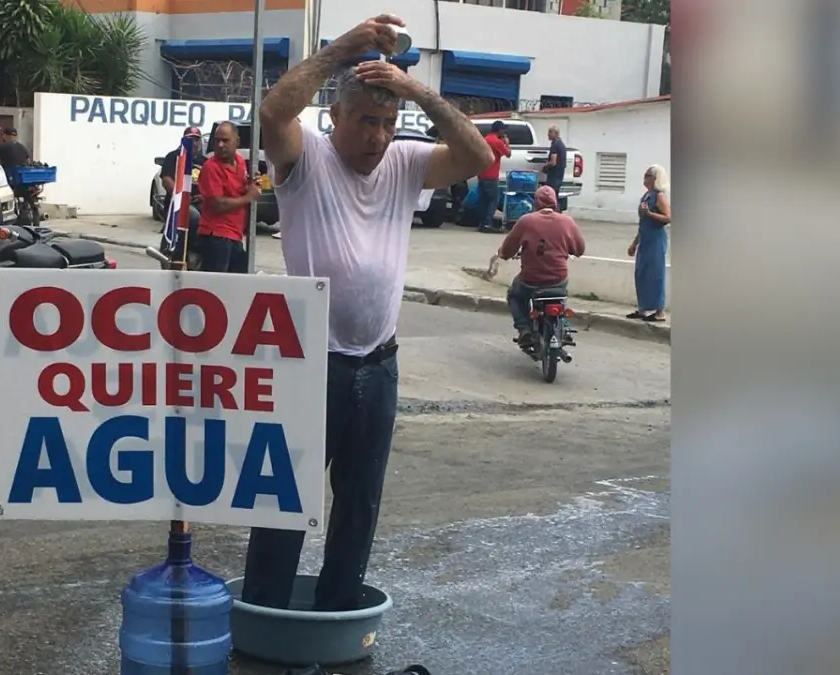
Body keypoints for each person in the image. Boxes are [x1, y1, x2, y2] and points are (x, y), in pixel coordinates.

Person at [240, 14, 494, 613]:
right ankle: (266, 615)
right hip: (311, 363)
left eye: (387, 124)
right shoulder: (307, 157)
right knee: (286, 497)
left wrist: (415, 90)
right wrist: (343, 49)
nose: (378, 138)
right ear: (336, 116)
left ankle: (338, 611)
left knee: (360, 503)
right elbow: (273, 114)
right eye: (366, 122)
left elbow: (478, 155)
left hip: (379, 364)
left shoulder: (405, 163)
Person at [497, 185, 586, 344]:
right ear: (555, 202)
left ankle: (524, 329)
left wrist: (503, 254)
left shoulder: (526, 221)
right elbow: (579, 250)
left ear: (536, 202)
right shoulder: (567, 221)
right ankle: (563, 325)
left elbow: (508, 250)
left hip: (530, 279)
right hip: (558, 279)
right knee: (560, 298)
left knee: (514, 296)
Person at [196, 121, 260, 273]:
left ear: (237, 141)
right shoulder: (211, 167)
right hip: (216, 236)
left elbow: (238, 189)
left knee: (237, 282)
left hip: (234, 236)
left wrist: (251, 184)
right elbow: (217, 204)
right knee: (216, 285)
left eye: (225, 140)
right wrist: (249, 197)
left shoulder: (240, 161)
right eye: (217, 140)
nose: (220, 145)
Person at [627, 164, 671, 322]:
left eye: (648, 176)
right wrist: (634, 243)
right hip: (645, 238)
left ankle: (660, 311)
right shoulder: (646, 195)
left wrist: (650, 214)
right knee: (641, 274)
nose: (644, 178)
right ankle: (644, 308)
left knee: (655, 274)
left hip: (655, 239)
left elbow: (668, 217)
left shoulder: (659, 196)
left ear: (655, 178)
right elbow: (643, 223)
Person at [475, 120, 512, 234]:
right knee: (494, 199)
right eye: (503, 130)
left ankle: (482, 223)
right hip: (491, 175)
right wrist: (506, 143)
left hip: (482, 173)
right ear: (499, 130)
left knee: (484, 200)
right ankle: (487, 223)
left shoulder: (485, 139)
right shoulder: (497, 142)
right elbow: (508, 154)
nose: (504, 132)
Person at [543, 125, 567, 211]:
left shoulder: (555, 145)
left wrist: (545, 166)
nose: (548, 134)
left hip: (553, 177)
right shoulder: (561, 144)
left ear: (556, 133)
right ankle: (557, 214)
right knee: (555, 197)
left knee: (551, 199)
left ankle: (555, 214)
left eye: (550, 132)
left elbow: (553, 162)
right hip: (559, 176)